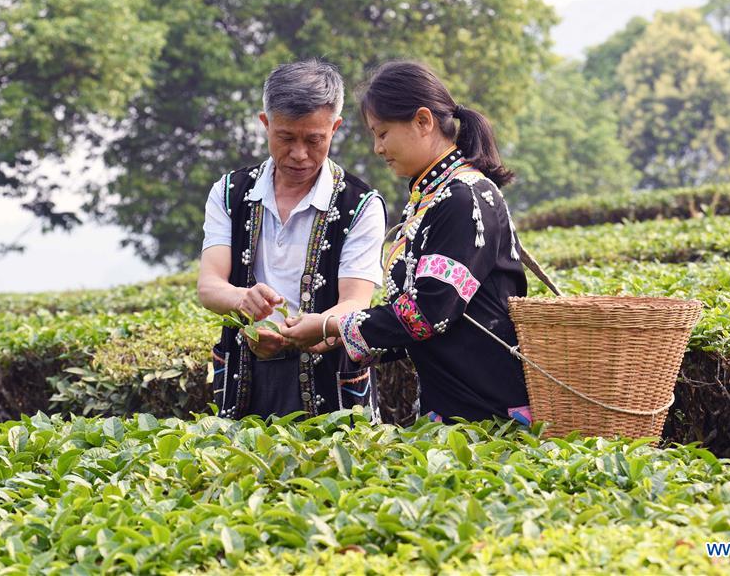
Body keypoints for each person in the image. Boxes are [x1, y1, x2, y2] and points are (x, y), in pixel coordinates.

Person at [281, 60, 531, 424]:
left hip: (486, 414)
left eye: (382, 133)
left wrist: (333, 326)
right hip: (452, 409)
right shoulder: (432, 198)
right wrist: (340, 338)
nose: (378, 148)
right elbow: (422, 323)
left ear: (423, 121)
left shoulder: (464, 198)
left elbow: (428, 313)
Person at [198, 59, 386, 420]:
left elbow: (354, 303)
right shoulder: (230, 193)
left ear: (335, 128)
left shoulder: (360, 205)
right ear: (265, 124)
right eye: (285, 137)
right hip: (245, 376)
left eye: (314, 140)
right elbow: (209, 286)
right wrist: (244, 300)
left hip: (331, 384)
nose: (299, 154)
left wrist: (316, 330)